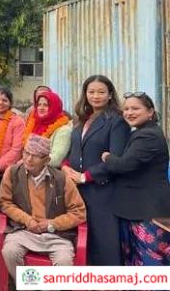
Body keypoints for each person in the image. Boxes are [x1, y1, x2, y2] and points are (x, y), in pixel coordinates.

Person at [62, 75, 129, 265]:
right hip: (76, 189)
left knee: (104, 244)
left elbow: (116, 159)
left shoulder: (117, 121)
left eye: (101, 92)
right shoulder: (81, 119)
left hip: (102, 191)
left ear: (110, 95)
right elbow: (73, 150)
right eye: (91, 92)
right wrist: (65, 167)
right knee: (80, 242)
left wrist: (85, 176)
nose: (96, 96)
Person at [0, 135, 87, 278]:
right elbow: (4, 202)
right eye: (27, 153)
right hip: (23, 230)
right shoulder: (13, 173)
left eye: (36, 156)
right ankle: (27, 285)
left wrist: (52, 224)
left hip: (56, 235)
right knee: (9, 251)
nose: (29, 159)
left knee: (64, 262)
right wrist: (27, 220)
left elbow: (79, 212)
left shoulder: (62, 179)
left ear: (47, 160)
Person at [101, 92, 170, 265]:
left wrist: (108, 157)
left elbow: (124, 165)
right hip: (136, 209)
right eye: (126, 109)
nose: (129, 113)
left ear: (150, 112)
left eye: (135, 108)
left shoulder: (148, 136)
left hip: (146, 212)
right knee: (135, 262)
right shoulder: (141, 132)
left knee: (150, 262)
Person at [20, 90, 72, 167]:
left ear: (55, 107)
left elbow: (55, 160)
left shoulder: (64, 130)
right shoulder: (33, 124)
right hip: (28, 168)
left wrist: (27, 162)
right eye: (39, 105)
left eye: (46, 105)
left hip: (48, 171)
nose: (41, 108)